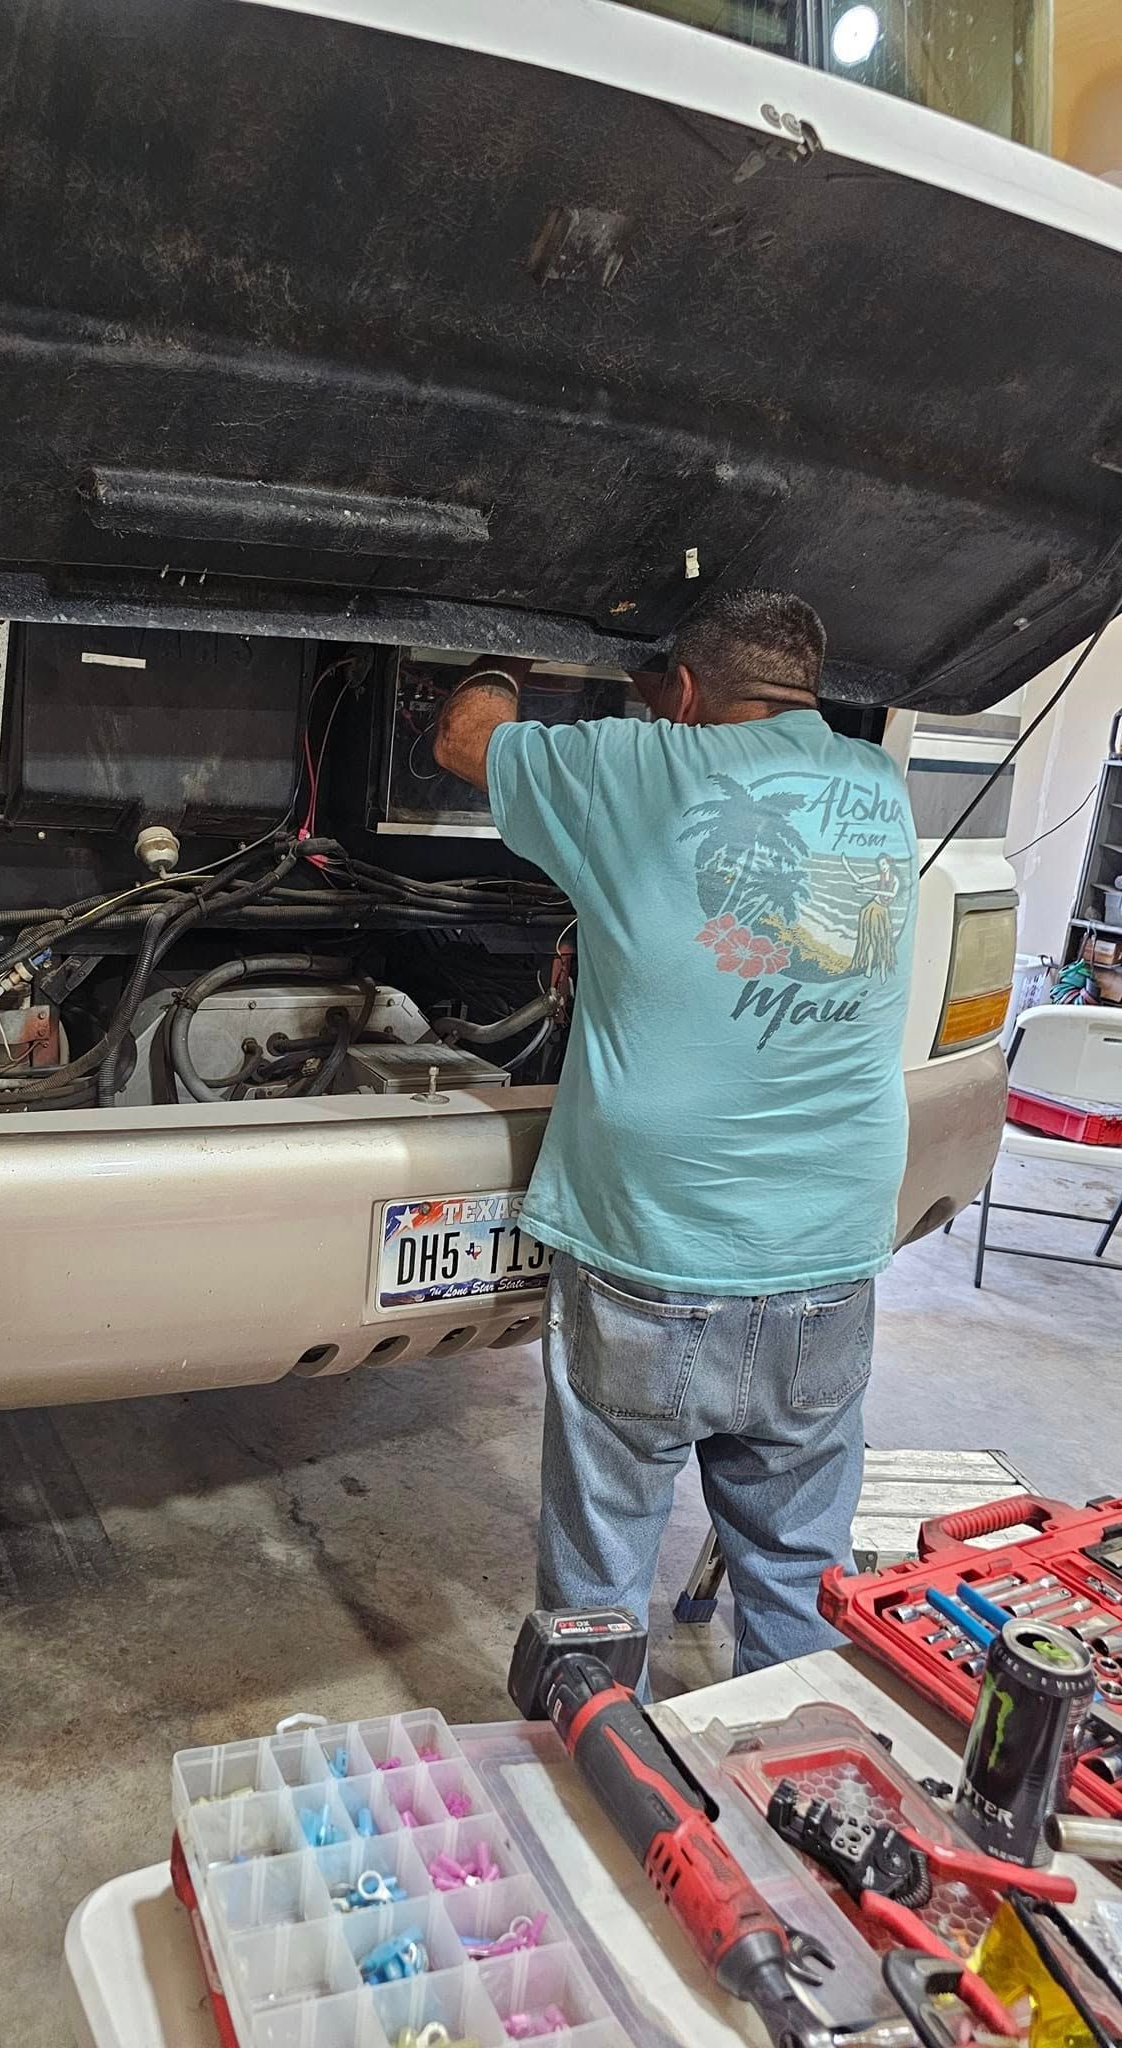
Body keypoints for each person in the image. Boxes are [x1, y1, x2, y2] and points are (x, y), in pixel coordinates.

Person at [432, 590, 917, 1678]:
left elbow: (464, 733)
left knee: (600, 1591)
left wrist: (529, 632)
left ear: (683, 694)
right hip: (830, 1257)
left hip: (655, 1254)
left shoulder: (636, 766)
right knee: (798, 1573)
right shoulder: (878, 785)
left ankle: (623, 1803)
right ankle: (797, 1782)